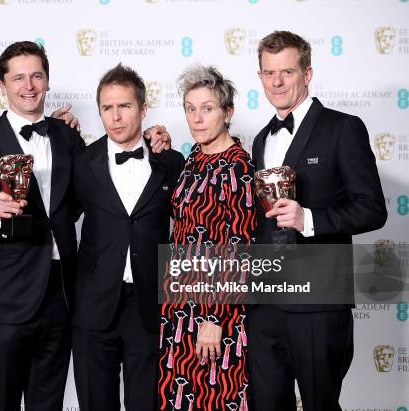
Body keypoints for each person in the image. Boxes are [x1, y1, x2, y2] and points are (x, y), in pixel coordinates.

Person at [247, 30, 386, 411]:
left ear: (307, 74)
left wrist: (309, 218)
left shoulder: (343, 128)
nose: (276, 82)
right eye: (268, 73)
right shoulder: (261, 139)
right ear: (259, 76)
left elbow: (373, 209)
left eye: (287, 72)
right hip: (265, 304)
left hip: (319, 304)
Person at [0, 41, 85, 411]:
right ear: (3, 86)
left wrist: (151, 140)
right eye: (18, 78)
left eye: (36, 76)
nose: (28, 85)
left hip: (60, 293)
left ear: (47, 81)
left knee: (47, 402)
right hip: (7, 297)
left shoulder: (67, 136)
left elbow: (83, 201)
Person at [71, 64, 184, 411]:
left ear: (143, 109)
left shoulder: (172, 163)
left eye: (125, 106)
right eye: (107, 108)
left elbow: (193, 229)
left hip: (149, 308)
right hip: (93, 308)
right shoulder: (80, 162)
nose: (116, 117)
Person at [158, 64, 256, 411]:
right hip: (177, 308)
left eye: (208, 108)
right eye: (190, 108)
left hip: (216, 312)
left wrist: (214, 318)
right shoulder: (193, 158)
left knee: (216, 399)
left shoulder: (239, 166)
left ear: (227, 112)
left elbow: (239, 246)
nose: (197, 118)